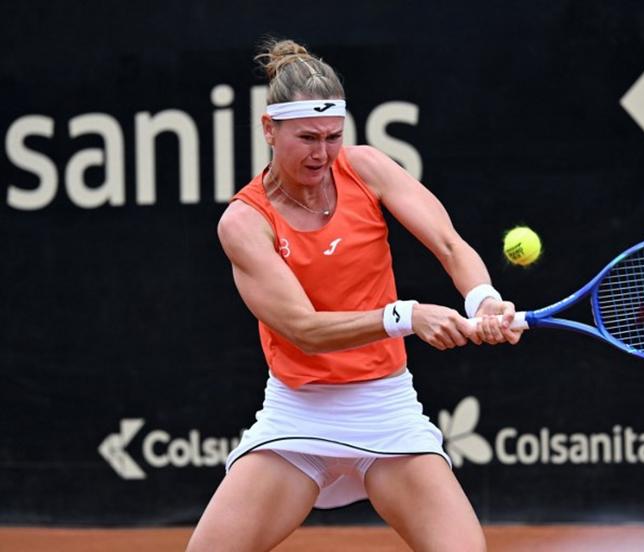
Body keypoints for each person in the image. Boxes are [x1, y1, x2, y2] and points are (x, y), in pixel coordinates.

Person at [186, 38, 522, 552]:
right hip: (299, 414)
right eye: (306, 138)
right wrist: (406, 316)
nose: (322, 153)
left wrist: (483, 301)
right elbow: (304, 329)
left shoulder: (367, 168)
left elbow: (451, 245)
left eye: (332, 136)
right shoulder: (245, 221)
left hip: (386, 408)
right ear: (269, 129)